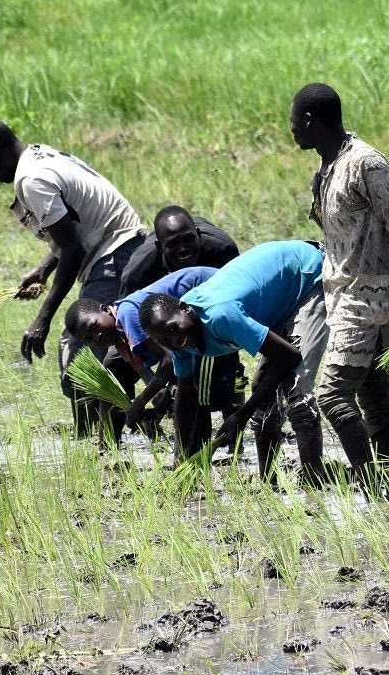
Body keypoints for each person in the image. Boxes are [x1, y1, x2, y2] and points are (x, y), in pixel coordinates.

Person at [290, 83, 389, 490]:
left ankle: (371, 483)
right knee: (375, 397)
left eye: (294, 123)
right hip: (346, 297)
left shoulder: (367, 164)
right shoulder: (325, 172)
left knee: (332, 395)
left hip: (371, 301)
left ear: (310, 121)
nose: (291, 130)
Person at [0, 119, 145, 439]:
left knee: (81, 359)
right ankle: (95, 439)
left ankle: (104, 444)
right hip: (122, 248)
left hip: (115, 256)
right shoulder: (40, 154)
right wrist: (44, 269)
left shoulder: (32, 179)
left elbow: (73, 248)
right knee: (92, 360)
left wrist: (42, 318)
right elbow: (70, 231)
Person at [134, 240, 329, 482]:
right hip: (278, 301)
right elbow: (186, 394)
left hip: (306, 275)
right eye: (165, 339)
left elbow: (289, 357)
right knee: (261, 391)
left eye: (173, 329)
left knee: (296, 391)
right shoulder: (178, 341)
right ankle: (269, 482)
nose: (174, 340)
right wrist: (182, 457)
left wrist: (241, 414)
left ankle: (315, 486)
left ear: (184, 309)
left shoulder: (220, 314)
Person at [60, 266, 242, 450]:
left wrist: (140, 402)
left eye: (94, 327)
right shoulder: (121, 341)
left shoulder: (127, 314)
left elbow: (170, 360)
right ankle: (107, 447)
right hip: (185, 322)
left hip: (211, 295)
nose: (97, 336)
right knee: (114, 364)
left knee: (193, 388)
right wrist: (157, 406)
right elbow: (150, 369)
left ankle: (193, 455)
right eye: (90, 339)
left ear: (105, 309)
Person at [120, 205, 240, 291]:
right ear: (160, 247)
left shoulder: (223, 249)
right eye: (173, 244)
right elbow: (127, 313)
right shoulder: (138, 273)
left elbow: (240, 289)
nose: (183, 249)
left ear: (198, 235)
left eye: (188, 239)